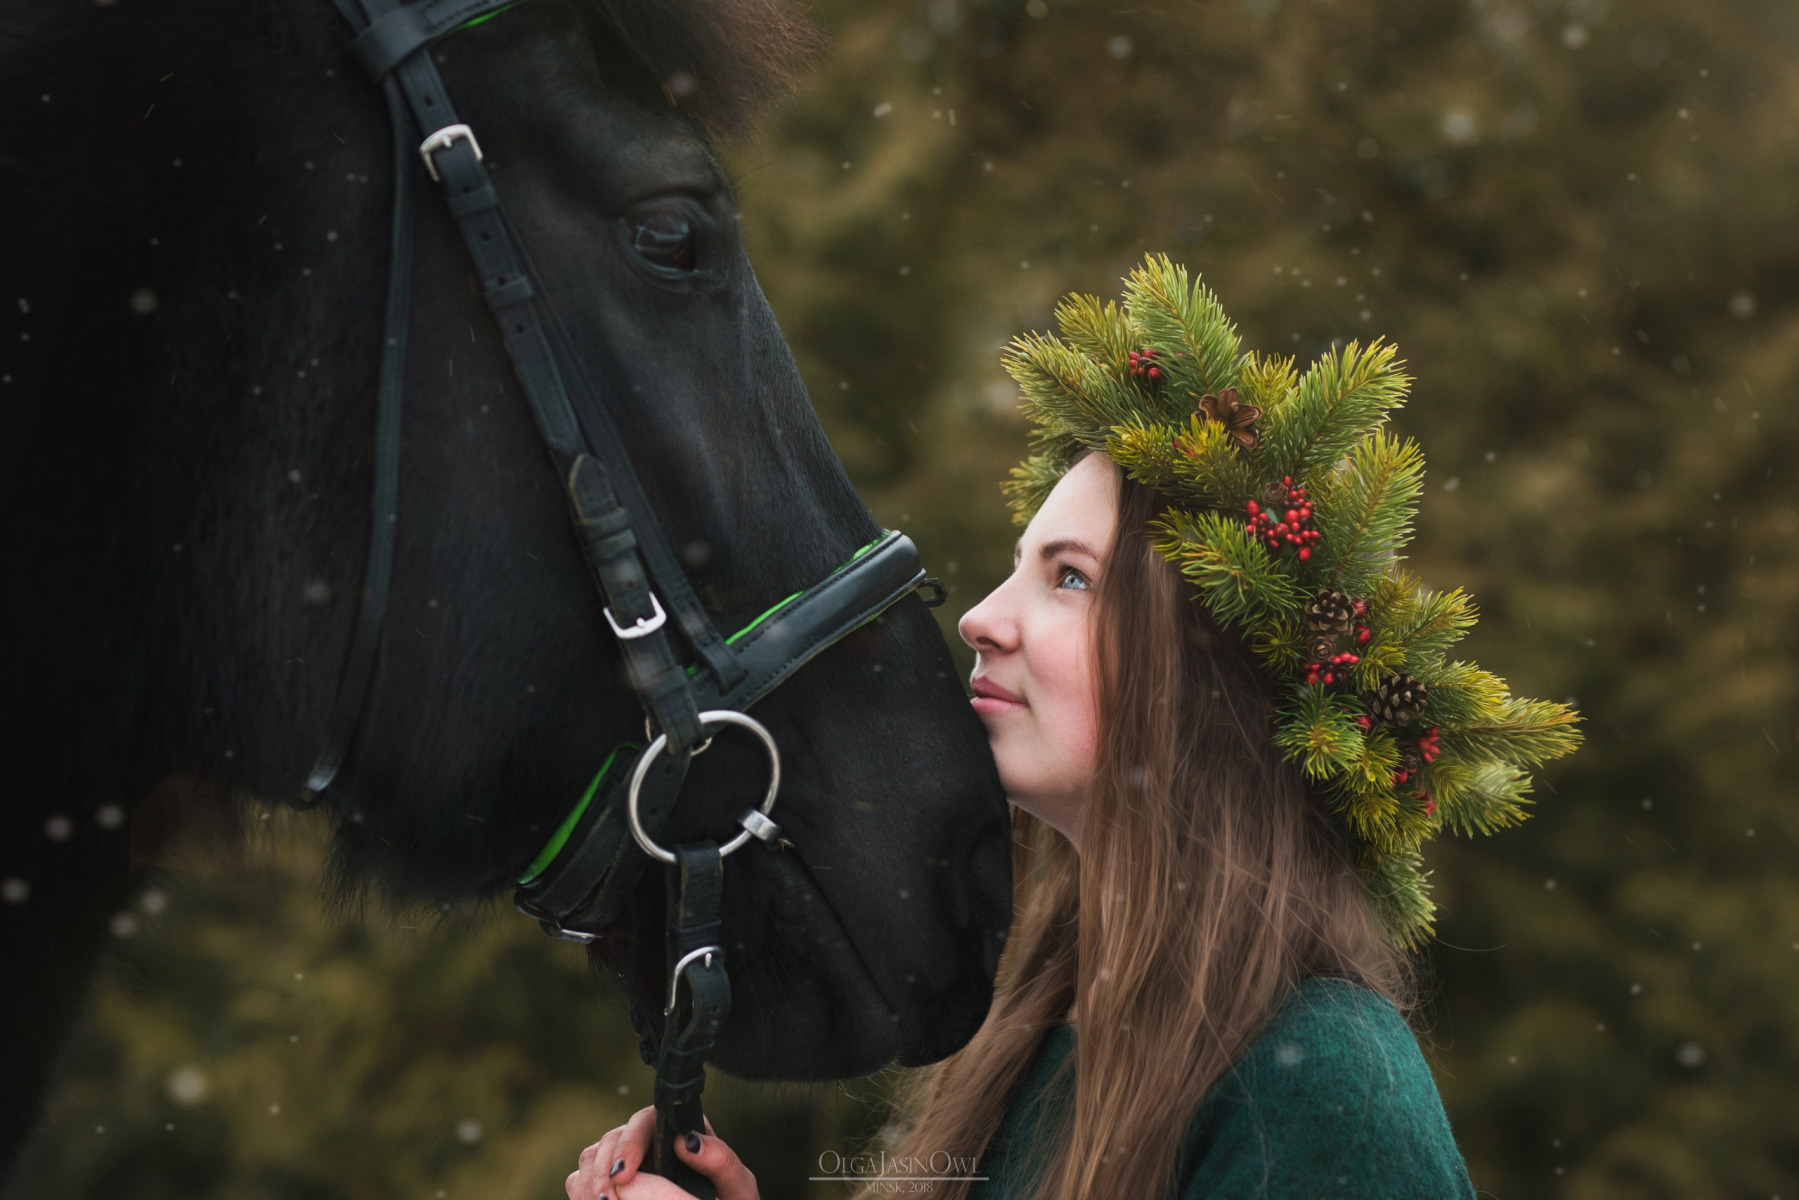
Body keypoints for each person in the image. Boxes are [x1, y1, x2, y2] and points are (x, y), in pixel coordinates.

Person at [563, 258, 1578, 1200]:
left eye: (1069, 579)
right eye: (1017, 567)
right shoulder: (1032, 1034)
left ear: (1205, 679)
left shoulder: (1318, 1088)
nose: (979, 617)